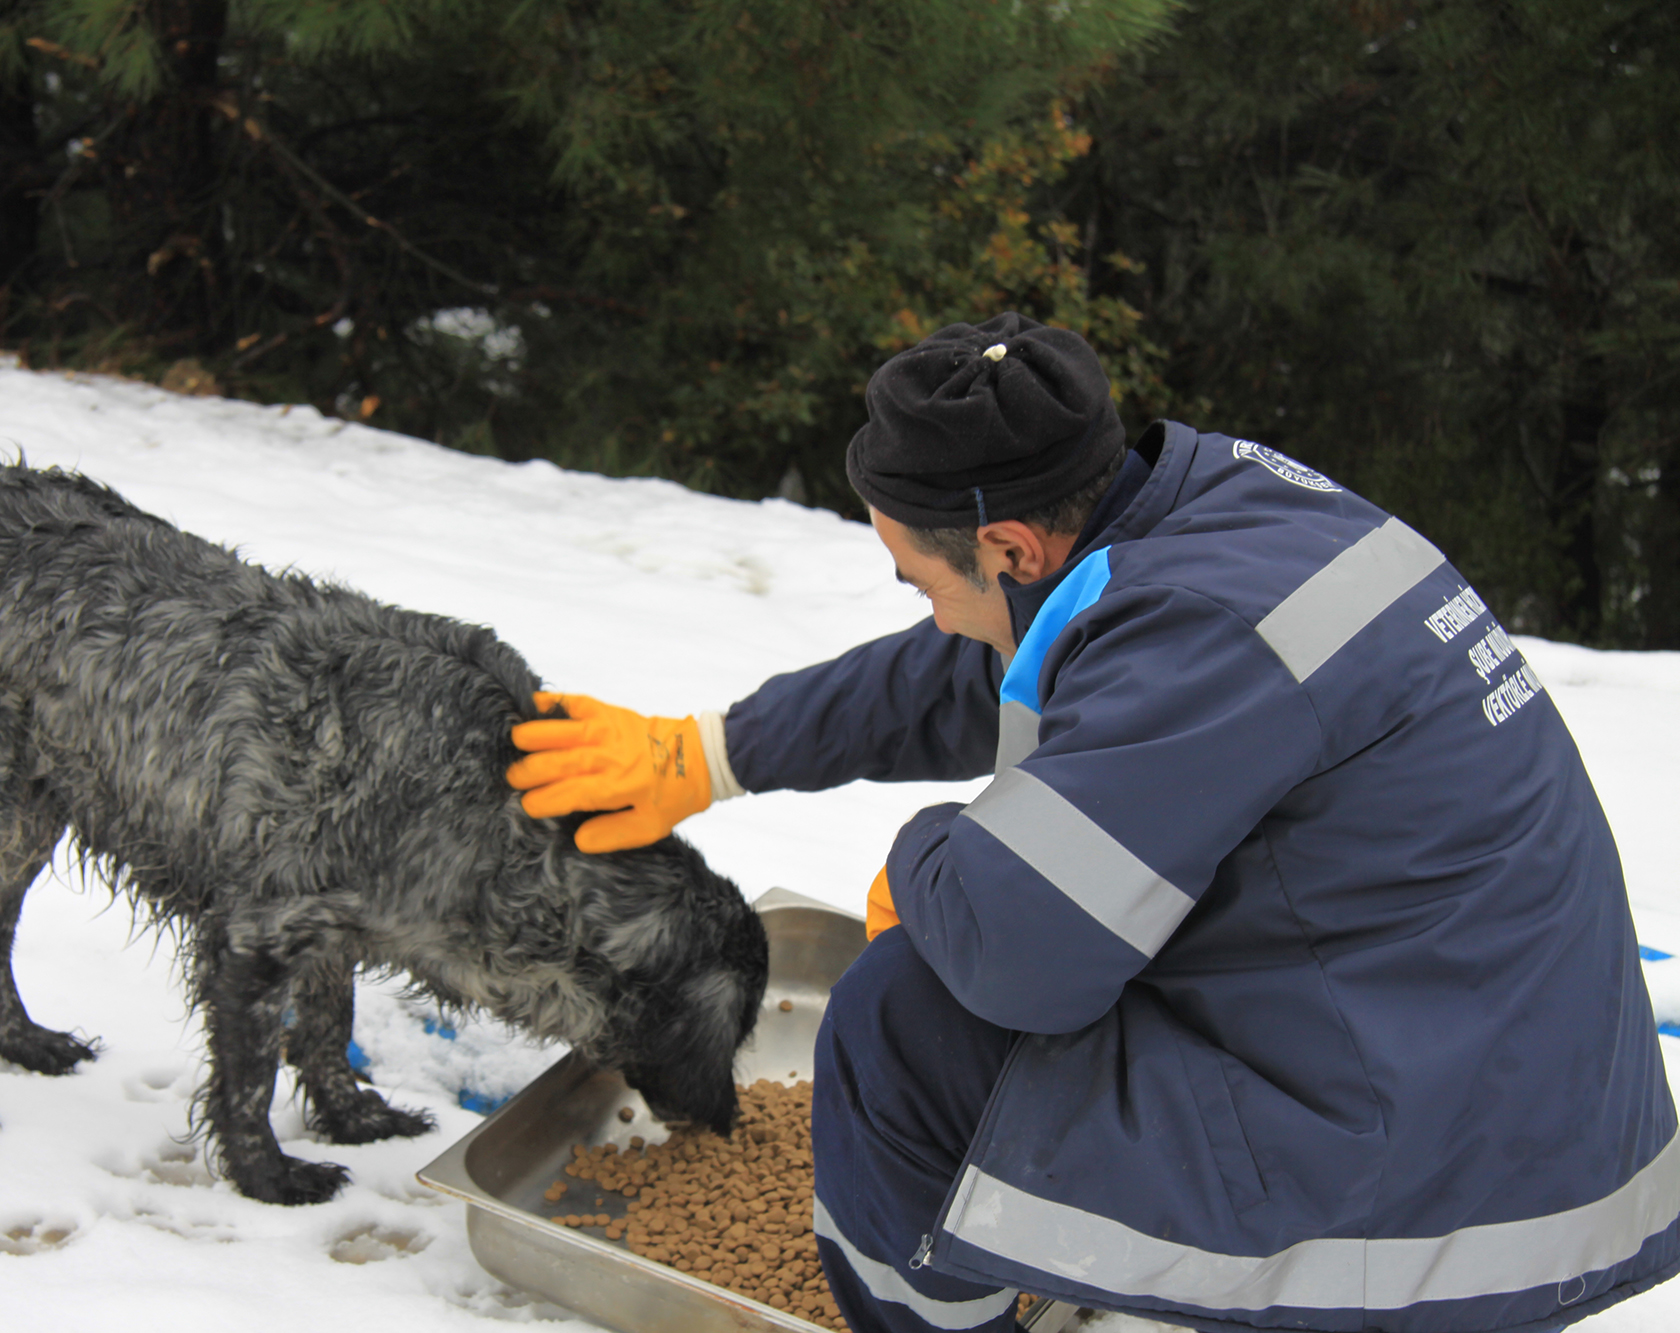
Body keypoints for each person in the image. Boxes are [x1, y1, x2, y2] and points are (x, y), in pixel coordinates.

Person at [505, 313, 1680, 1333]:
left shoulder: (1199, 635)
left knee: (900, 1016)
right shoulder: (1215, 517)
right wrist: (709, 751)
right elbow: (1009, 662)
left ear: (1011, 546)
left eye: (919, 580)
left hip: (1463, 1194)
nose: (929, 613)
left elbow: (1019, 961)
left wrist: (921, 866)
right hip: (1486, 1065)